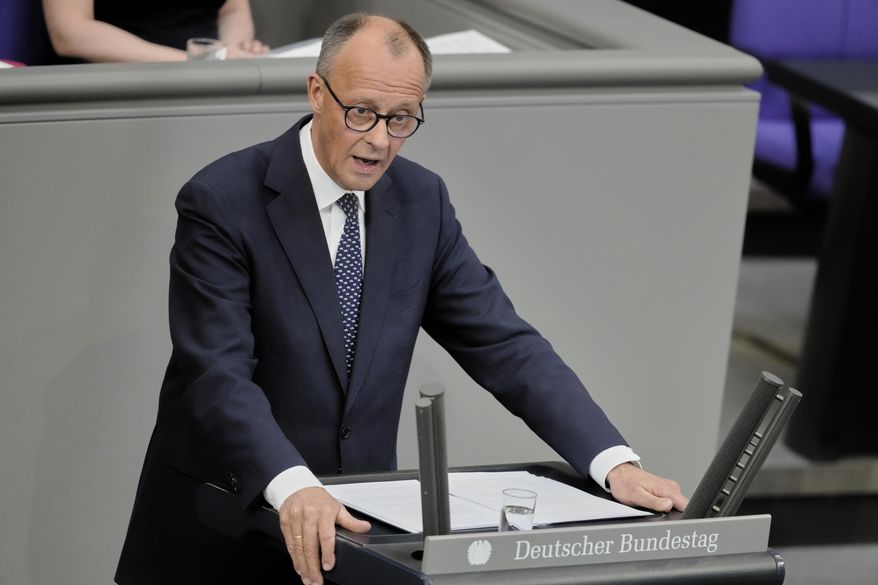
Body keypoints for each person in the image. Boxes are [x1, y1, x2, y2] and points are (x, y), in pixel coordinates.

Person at [115, 12, 688, 585]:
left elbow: (502, 343)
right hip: (224, 529)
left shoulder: (421, 201)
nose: (379, 139)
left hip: (354, 536)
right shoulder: (221, 200)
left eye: (401, 118)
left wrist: (612, 462)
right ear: (317, 92)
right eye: (361, 112)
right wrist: (293, 483)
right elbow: (217, 374)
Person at [42, 0, 267, 63]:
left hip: (211, 85)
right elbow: (71, 32)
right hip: (118, 88)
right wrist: (202, 61)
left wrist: (236, 54)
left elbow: (232, 11)